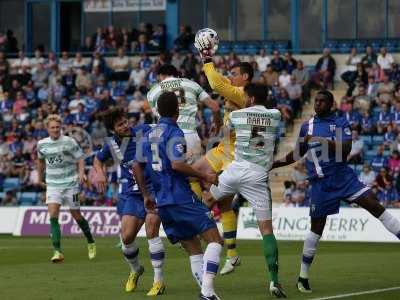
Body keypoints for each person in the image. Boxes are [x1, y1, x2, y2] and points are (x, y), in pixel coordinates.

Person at [272, 90, 400, 293]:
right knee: (316, 228)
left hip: (343, 178)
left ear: (331, 104)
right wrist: (274, 164)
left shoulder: (340, 123)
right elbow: (296, 154)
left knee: (374, 204)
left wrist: (323, 141)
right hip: (321, 184)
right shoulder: (307, 126)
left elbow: (346, 149)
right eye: (316, 101)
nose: (318, 104)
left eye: (322, 101)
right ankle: (303, 277)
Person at [133, 92, 223, 300]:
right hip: (181, 197)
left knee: (193, 249)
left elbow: (137, 164)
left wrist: (146, 194)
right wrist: (205, 175)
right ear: (178, 110)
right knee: (216, 241)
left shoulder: (147, 134)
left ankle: (207, 293)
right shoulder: (174, 132)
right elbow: (176, 164)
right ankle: (207, 292)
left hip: (162, 203)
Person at [203, 83, 286, 298]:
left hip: (235, 170)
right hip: (257, 176)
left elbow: (224, 132)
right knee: (267, 230)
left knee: (207, 199)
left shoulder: (237, 115)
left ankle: (193, 234)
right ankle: (274, 281)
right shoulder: (275, 115)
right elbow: (274, 117)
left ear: (248, 99)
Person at [194, 37, 255, 275]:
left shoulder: (243, 93)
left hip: (235, 155)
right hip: (222, 149)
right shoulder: (235, 95)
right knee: (189, 171)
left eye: (234, 73)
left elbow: (216, 84)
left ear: (245, 78)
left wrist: (207, 59)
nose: (231, 76)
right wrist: (218, 126)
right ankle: (231, 253)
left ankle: (225, 248)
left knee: (219, 202)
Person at [93, 107, 166, 296]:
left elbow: (165, 126)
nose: (125, 126)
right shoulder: (111, 145)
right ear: (113, 130)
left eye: (125, 121)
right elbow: (97, 159)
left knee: (151, 230)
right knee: (126, 238)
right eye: (120, 124)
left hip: (154, 189)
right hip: (133, 193)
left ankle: (158, 281)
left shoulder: (144, 130)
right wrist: (99, 172)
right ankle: (135, 270)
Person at [36, 114, 96, 263]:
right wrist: (39, 177)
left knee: (76, 216)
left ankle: (90, 241)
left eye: (57, 127)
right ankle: (57, 251)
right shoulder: (42, 144)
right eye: (52, 127)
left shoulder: (69, 142)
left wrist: (82, 174)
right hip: (53, 185)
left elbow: (80, 158)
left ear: (61, 127)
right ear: (47, 129)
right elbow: (40, 160)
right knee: (53, 215)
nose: (55, 130)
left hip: (70, 184)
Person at [147, 64, 219, 165]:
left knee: (172, 175)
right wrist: (217, 126)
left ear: (161, 76)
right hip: (190, 136)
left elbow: (159, 119)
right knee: (196, 175)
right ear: (177, 75)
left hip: (167, 136)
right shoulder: (191, 84)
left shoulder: (152, 91)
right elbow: (215, 107)